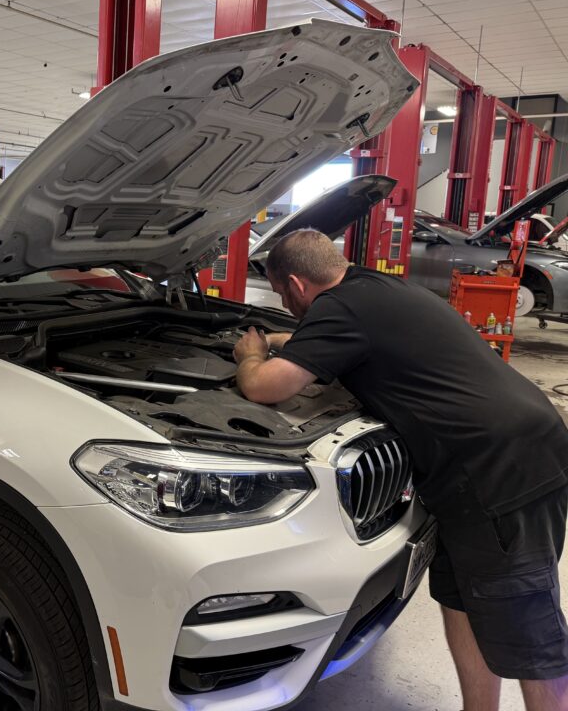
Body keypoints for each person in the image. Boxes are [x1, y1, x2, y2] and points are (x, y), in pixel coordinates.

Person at [232, 229, 568, 711]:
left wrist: (252, 356)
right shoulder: (373, 289)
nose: (286, 306)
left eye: (285, 296)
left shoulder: (339, 310)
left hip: (500, 474)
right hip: (499, 458)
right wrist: (291, 339)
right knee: (461, 600)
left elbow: (266, 387)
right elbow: (336, 339)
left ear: (295, 284)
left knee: (528, 625)